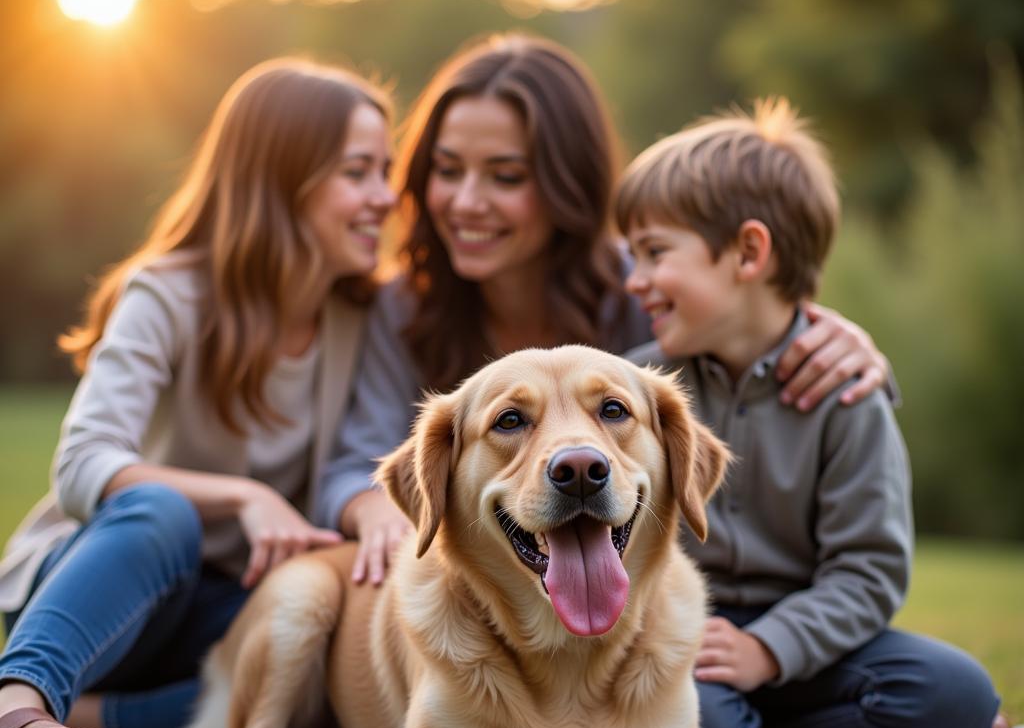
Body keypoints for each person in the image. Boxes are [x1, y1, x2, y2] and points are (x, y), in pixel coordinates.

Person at [316, 34, 892, 586]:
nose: (466, 202)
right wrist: (381, 514)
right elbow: (351, 468)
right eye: (447, 171)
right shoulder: (402, 304)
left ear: (568, 183)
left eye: (506, 176)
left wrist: (825, 333)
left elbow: (747, 333)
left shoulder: (647, 291)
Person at [0, 59, 397, 728]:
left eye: (387, 172)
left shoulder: (361, 316)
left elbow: (360, 461)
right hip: (105, 594)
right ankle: (20, 698)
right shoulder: (168, 292)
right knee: (163, 513)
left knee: (312, 645)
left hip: (222, 610)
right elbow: (83, 462)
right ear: (284, 179)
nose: (386, 196)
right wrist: (244, 496)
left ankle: (84, 725)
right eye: (359, 173)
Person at [618, 98, 1008, 728]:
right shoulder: (633, 391)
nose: (635, 282)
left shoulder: (850, 396)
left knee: (957, 693)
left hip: (816, 649)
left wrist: (770, 650)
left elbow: (869, 570)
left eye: (654, 254)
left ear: (748, 252)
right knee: (693, 721)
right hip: (681, 642)